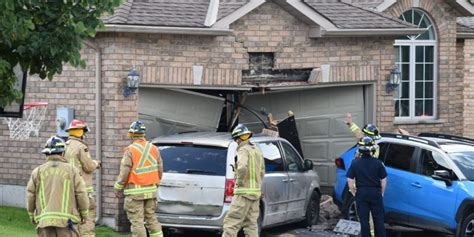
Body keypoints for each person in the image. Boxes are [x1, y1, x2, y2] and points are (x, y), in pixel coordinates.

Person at [27, 136, 89, 237]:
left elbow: (30, 195)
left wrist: (31, 214)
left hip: (44, 222)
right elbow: (81, 193)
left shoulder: (37, 172)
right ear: (63, 153)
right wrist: (84, 214)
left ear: (46, 153)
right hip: (68, 223)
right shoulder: (72, 171)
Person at [114, 120, 164, 237]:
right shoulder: (154, 148)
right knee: (151, 218)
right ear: (143, 134)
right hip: (151, 191)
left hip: (135, 192)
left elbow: (125, 171)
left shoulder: (130, 150)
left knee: (137, 221)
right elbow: (160, 169)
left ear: (131, 134)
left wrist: (118, 187)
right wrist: (156, 183)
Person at [222, 124, 265, 237]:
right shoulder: (257, 150)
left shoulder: (243, 149)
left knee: (231, 223)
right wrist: (259, 189)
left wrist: (239, 182)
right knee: (251, 225)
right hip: (255, 194)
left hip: (243, 194)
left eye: (236, 139)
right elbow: (262, 172)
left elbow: (241, 167)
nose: (236, 142)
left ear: (239, 138)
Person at [64, 119, 100, 237]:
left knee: (73, 220)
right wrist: (96, 163)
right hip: (83, 190)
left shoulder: (65, 146)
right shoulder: (81, 147)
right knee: (88, 218)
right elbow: (88, 167)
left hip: (69, 190)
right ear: (81, 133)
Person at [347, 137, 387, 237]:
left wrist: (354, 192)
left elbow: (350, 180)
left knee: (364, 221)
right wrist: (381, 192)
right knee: (379, 220)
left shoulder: (355, 163)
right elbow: (384, 180)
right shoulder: (378, 163)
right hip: (375, 193)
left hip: (361, 193)